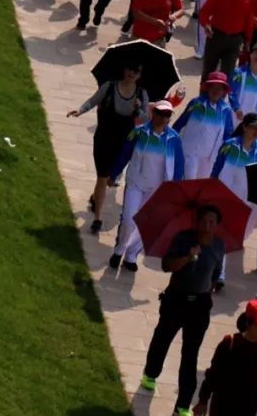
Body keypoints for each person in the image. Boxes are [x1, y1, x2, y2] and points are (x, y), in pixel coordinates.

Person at [140, 205, 226, 416]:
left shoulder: (219, 246)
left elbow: (215, 275)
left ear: (217, 225)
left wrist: (206, 292)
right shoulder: (183, 239)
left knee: (191, 354)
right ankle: (151, 373)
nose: (208, 225)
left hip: (199, 306)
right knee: (163, 338)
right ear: (197, 222)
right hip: (176, 299)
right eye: (204, 220)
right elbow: (167, 266)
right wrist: (188, 257)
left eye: (212, 221)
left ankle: (183, 406)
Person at [67, 56, 148, 233]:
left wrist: (139, 109)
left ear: (140, 75)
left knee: (111, 180)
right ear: (124, 69)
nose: (132, 73)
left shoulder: (141, 94)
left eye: (137, 71)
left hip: (124, 142)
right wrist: (79, 110)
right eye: (130, 69)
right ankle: (97, 218)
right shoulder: (109, 87)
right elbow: (93, 100)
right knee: (102, 178)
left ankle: (96, 197)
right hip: (104, 138)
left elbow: (146, 118)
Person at [109, 98, 185, 272]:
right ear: (153, 113)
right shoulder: (138, 132)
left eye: (167, 115)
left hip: (157, 189)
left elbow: (179, 165)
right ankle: (119, 249)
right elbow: (124, 154)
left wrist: (176, 189)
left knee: (145, 224)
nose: (164, 118)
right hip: (136, 183)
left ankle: (131, 255)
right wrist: (115, 173)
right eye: (161, 113)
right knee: (128, 219)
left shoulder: (174, 139)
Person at [211, 112, 257, 288]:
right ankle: (218, 271)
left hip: (245, 201)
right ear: (244, 127)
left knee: (232, 236)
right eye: (254, 127)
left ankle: (218, 270)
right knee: (219, 233)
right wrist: (210, 188)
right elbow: (216, 168)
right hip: (224, 196)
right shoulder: (229, 146)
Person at [171, 72, 235, 179]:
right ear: (208, 88)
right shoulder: (196, 103)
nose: (216, 91)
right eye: (213, 87)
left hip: (209, 157)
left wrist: (227, 152)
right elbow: (180, 122)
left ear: (223, 91)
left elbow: (228, 134)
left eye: (219, 88)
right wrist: (169, 140)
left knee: (201, 183)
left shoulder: (226, 110)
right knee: (189, 182)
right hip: (191, 153)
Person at [198, 0, 256, 77]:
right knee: (208, 73)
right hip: (216, 37)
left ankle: (223, 94)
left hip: (234, 41)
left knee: (228, 75)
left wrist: (248, 41)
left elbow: (248, 20)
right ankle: (204, 93)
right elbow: (204, 12)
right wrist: (206, 25)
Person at [229, 41, 257, 120]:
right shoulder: (239, 73)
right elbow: (231, 92)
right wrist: (236, 108)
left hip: (254, 121)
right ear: (251, 55)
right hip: (237, 116)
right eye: (256, 52)